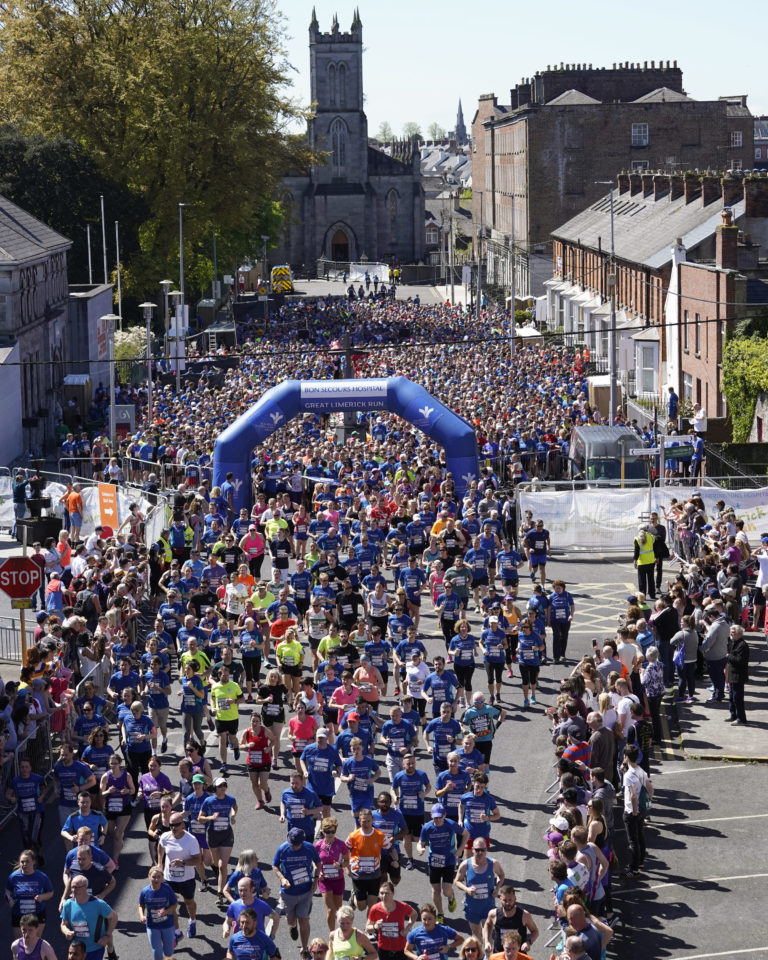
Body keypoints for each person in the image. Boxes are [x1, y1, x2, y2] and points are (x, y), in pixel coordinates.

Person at [272, 827, 320, 955]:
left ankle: (304, 948)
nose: (294, 847)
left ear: (302, 842)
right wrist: (282, 879)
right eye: (292, 844)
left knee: (304, 920)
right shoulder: (283, 849)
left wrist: (315, 880)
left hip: (306, 891)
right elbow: (274, 865)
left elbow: (318, 862)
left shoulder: (309, 848)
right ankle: (293, 927)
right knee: (291, 921)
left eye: (296, 845)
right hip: (289, 893)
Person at [417, 803, 467, 922]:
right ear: (431, 816)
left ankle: (451, 897)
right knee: (435, 890)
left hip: (449, 860)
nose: (438, 820)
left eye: (440, 817)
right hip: (434, 861)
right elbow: (420, 842)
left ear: (444, 815)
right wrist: (420, 848)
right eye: (435, 817)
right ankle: (440, 914)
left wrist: (460, 849)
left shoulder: (450, 824)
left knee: (446, 891)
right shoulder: (427, 828)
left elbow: (466, 834)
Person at [157, 812, 201, 940]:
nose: (173, 828)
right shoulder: (165, 837)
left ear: (182, 824)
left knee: (189, 902)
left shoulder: (191, 840)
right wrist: (159, 863)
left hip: (186, 879)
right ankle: (177, 931)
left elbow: (198, 860)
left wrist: (183, 863)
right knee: (170, 905)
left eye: (176, 825)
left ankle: (192, 921)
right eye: (171, 825)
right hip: (169, 878)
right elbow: (160, 846)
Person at [454, 837, 505, 942]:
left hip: (488, 906)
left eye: (483, 850)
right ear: (472, 850)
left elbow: (502, 875)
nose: (480, 852)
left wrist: (497, 888)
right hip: (472, 907)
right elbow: (456, 881)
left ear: (486, 850)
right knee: (476, 934)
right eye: (477, 850)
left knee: (488, 935)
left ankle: (488, 957)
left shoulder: (493, 864)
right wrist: (467, 889)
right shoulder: (465, 865)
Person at [198, 776, 238, 906]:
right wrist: (211, 817)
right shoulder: (208, 801)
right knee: (215, 863)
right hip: (213, 835)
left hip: (226, 835)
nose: (223, 788)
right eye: (220, 786)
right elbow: (200, 818)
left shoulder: (230, 799)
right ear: (215, 788)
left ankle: (220, 893)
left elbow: (234, 807)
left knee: (222, 866)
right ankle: (227, 882)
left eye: (224, 785)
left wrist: (232, 816)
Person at [345, 808, 393, 911]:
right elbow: (345, 851)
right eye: (363, 821)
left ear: (372, 820)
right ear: (359, 821)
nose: (366, 824)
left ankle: (369, 926)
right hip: (358, 874)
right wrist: (347, 867)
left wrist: (395, 860)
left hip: (374, 874)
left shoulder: (379, 836)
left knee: (372, 906)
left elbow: (390, 849)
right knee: (361, 907)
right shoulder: (353, 836)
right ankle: (354, 895)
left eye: (368, 821)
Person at [59, 877, 118, 960]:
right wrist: (66, 931)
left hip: (95, 948)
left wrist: (107, 936)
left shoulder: (98, 904)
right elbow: (63, 924)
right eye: (72, 887)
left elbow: (114, 917)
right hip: (77, 950)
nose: (73, 890)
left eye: (77, 887)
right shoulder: (68, 904)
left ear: (85, 887)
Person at [6, 850, 54, 937]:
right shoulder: (14, 877)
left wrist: (42, 896)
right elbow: (7, 891)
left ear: (34, 862)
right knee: (20, 944)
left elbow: (50, 892)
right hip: (18, 914)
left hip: (37, 914)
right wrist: (9, 899)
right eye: (22, 862)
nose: (24, 864)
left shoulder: (42, 877)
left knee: (35, 942)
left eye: (27, 861)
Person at [621, 743, 652, 875]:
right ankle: (640, 862)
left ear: (626, 757)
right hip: (641, 810)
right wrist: (646, 808)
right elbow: (651, 789)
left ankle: (633, 868)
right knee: (640, 836)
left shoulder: (628, 775)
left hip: (631, 811)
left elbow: (633, 795)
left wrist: (634, 811)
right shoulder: (641, 771)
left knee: (632, 841)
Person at [314, 816, 349, 931]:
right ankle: (332, 934)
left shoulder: (341, 845)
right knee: (331, 909)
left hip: (338, 880)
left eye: (332, 831)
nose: (330, 834)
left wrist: (340, 865)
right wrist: (318, 872)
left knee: (338, 910)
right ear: (322, 831)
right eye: (327, 831)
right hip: (325, 881)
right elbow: (313, 861)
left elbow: (347, 861)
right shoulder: (318, 846)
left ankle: (340, 931)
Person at [365, 880, 416, 960]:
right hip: (383, 948)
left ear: (393, 893)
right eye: (381, 893)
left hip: (400, 947)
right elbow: (368, 928)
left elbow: (414, 914)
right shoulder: (375, 909)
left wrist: (408, 928)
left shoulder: (402, 907)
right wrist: (375, 926)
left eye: (387, 893)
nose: (384, 896)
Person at [483, 884, 538, 956]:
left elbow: (535, 931)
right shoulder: (493, 914)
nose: (508, 903)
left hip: (518, 955)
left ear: (515, 899)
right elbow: (487, 925)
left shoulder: (524, 915)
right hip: (499, 954)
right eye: (505, 900)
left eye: (510, 900)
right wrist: (487, 941)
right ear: (500, 899)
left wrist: (528, 942)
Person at [137, 866, 179, 960]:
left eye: (159, 877)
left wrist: (166, 911)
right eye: (154, 877)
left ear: (162, 878)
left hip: (167, 924)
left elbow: (175, 904)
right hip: (152, 926)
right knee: (157, 951)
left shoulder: (167, 889)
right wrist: (141, 915)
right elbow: (141, 905)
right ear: (149, 877)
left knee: (169, 952)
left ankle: (173, 938)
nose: (156, 879)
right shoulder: (145, 891)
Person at [726, 623, 750, 725]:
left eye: (734, 633)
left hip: (738, 676)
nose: (731, 634)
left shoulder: (742, 645)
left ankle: (741, 719)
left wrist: (728, 656)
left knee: (737, 698)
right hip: (732, 674)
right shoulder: (733, 642)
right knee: (731, 697)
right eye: (731, 632)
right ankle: (733, 715)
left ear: (740, 634)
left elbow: (740, 661)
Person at [632, 525, 656, 601]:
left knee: (642, 580)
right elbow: (654, 547)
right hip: (651, 561)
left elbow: (636, 551)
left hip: (642, 562)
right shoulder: (651, 537)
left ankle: (643, 596)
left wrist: (635, 561)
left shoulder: (637, 538)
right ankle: (652, 594)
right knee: (651, 579)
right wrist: (656, 557)